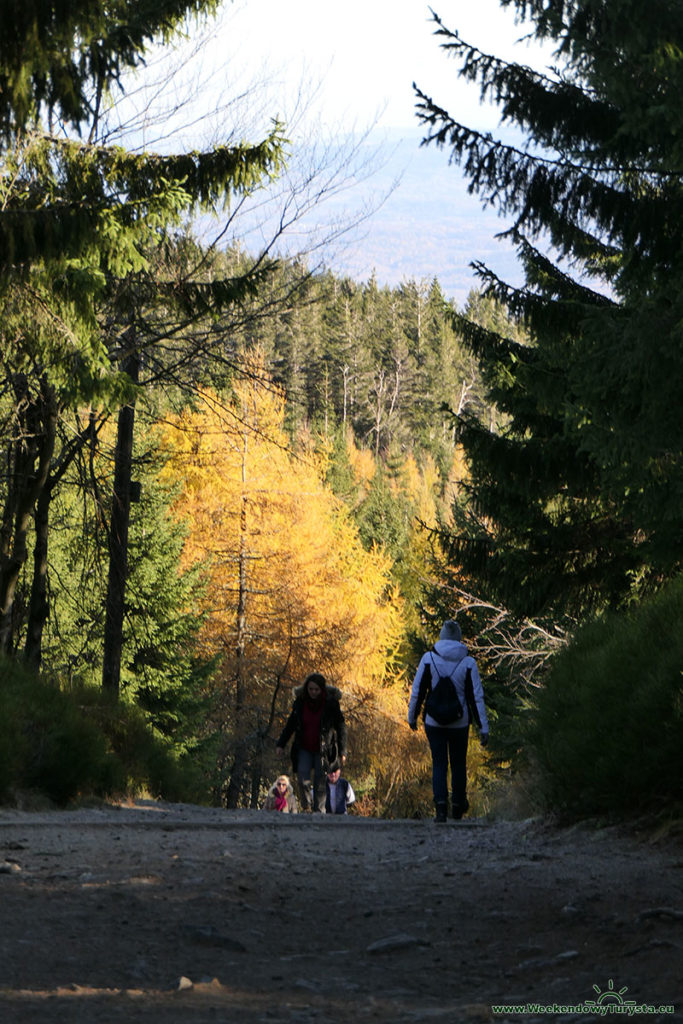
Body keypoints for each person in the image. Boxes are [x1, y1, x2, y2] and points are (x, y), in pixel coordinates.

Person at [408, 619, 488, 822]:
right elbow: (476, 697)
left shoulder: (428, 659)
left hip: (434, 722)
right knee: (459, 763)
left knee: (439, 763)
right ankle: (458, 804)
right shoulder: (469, 663)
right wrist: (483, 727)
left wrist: (412, 717)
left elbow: (417, 691)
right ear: (459, 638)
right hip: (459, 723)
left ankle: (441, 806)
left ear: (442, 637)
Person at [276, 672, 347, 813]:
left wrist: (343, 750)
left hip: (323, 750)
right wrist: (281, 744)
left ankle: (319, 810)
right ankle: (307, 806)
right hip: (304, 747)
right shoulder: (300, 704)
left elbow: (341, 727)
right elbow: (291, 725)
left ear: (322, 690)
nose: (313, 692)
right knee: (303, 778)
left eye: (316, 690)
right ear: (306, 689)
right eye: (310, 689)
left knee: (320, 781)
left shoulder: (330, 704)